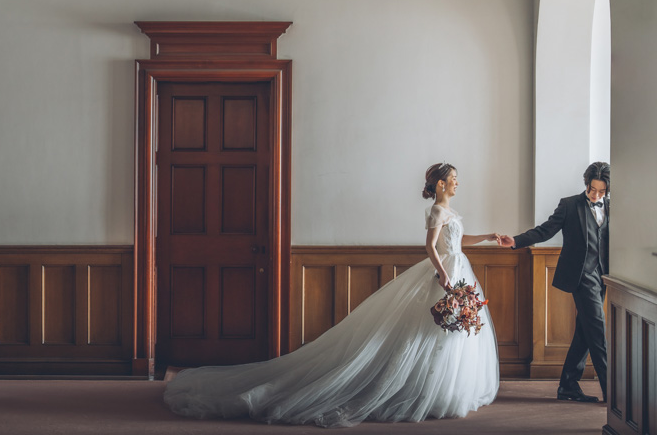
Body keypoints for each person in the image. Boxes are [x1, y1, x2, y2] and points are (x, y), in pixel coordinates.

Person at [164, 162, 502, 427]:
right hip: (445, 273)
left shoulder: (452, 212)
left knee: (448, 332)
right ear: (441, 183)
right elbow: (430, 246)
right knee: (431, 329)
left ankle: (441, 392)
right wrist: (442, 273)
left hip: (458, 268)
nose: (459, 182)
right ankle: (417, 392)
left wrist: (487, 236)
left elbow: (456, 241)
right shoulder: (437, 211)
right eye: (454, 178)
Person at [499, 161, 610, 404]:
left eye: (602, 191)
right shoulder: (570, 205)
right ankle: (614, 394)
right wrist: (516, 241)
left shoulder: (613, 207)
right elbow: (545, 230)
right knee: (598, 330)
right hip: (581, 277)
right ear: (586, 184)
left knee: (585, 330)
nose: (596, 195)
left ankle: (568, 386)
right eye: (593, 189)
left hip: (604, 277)